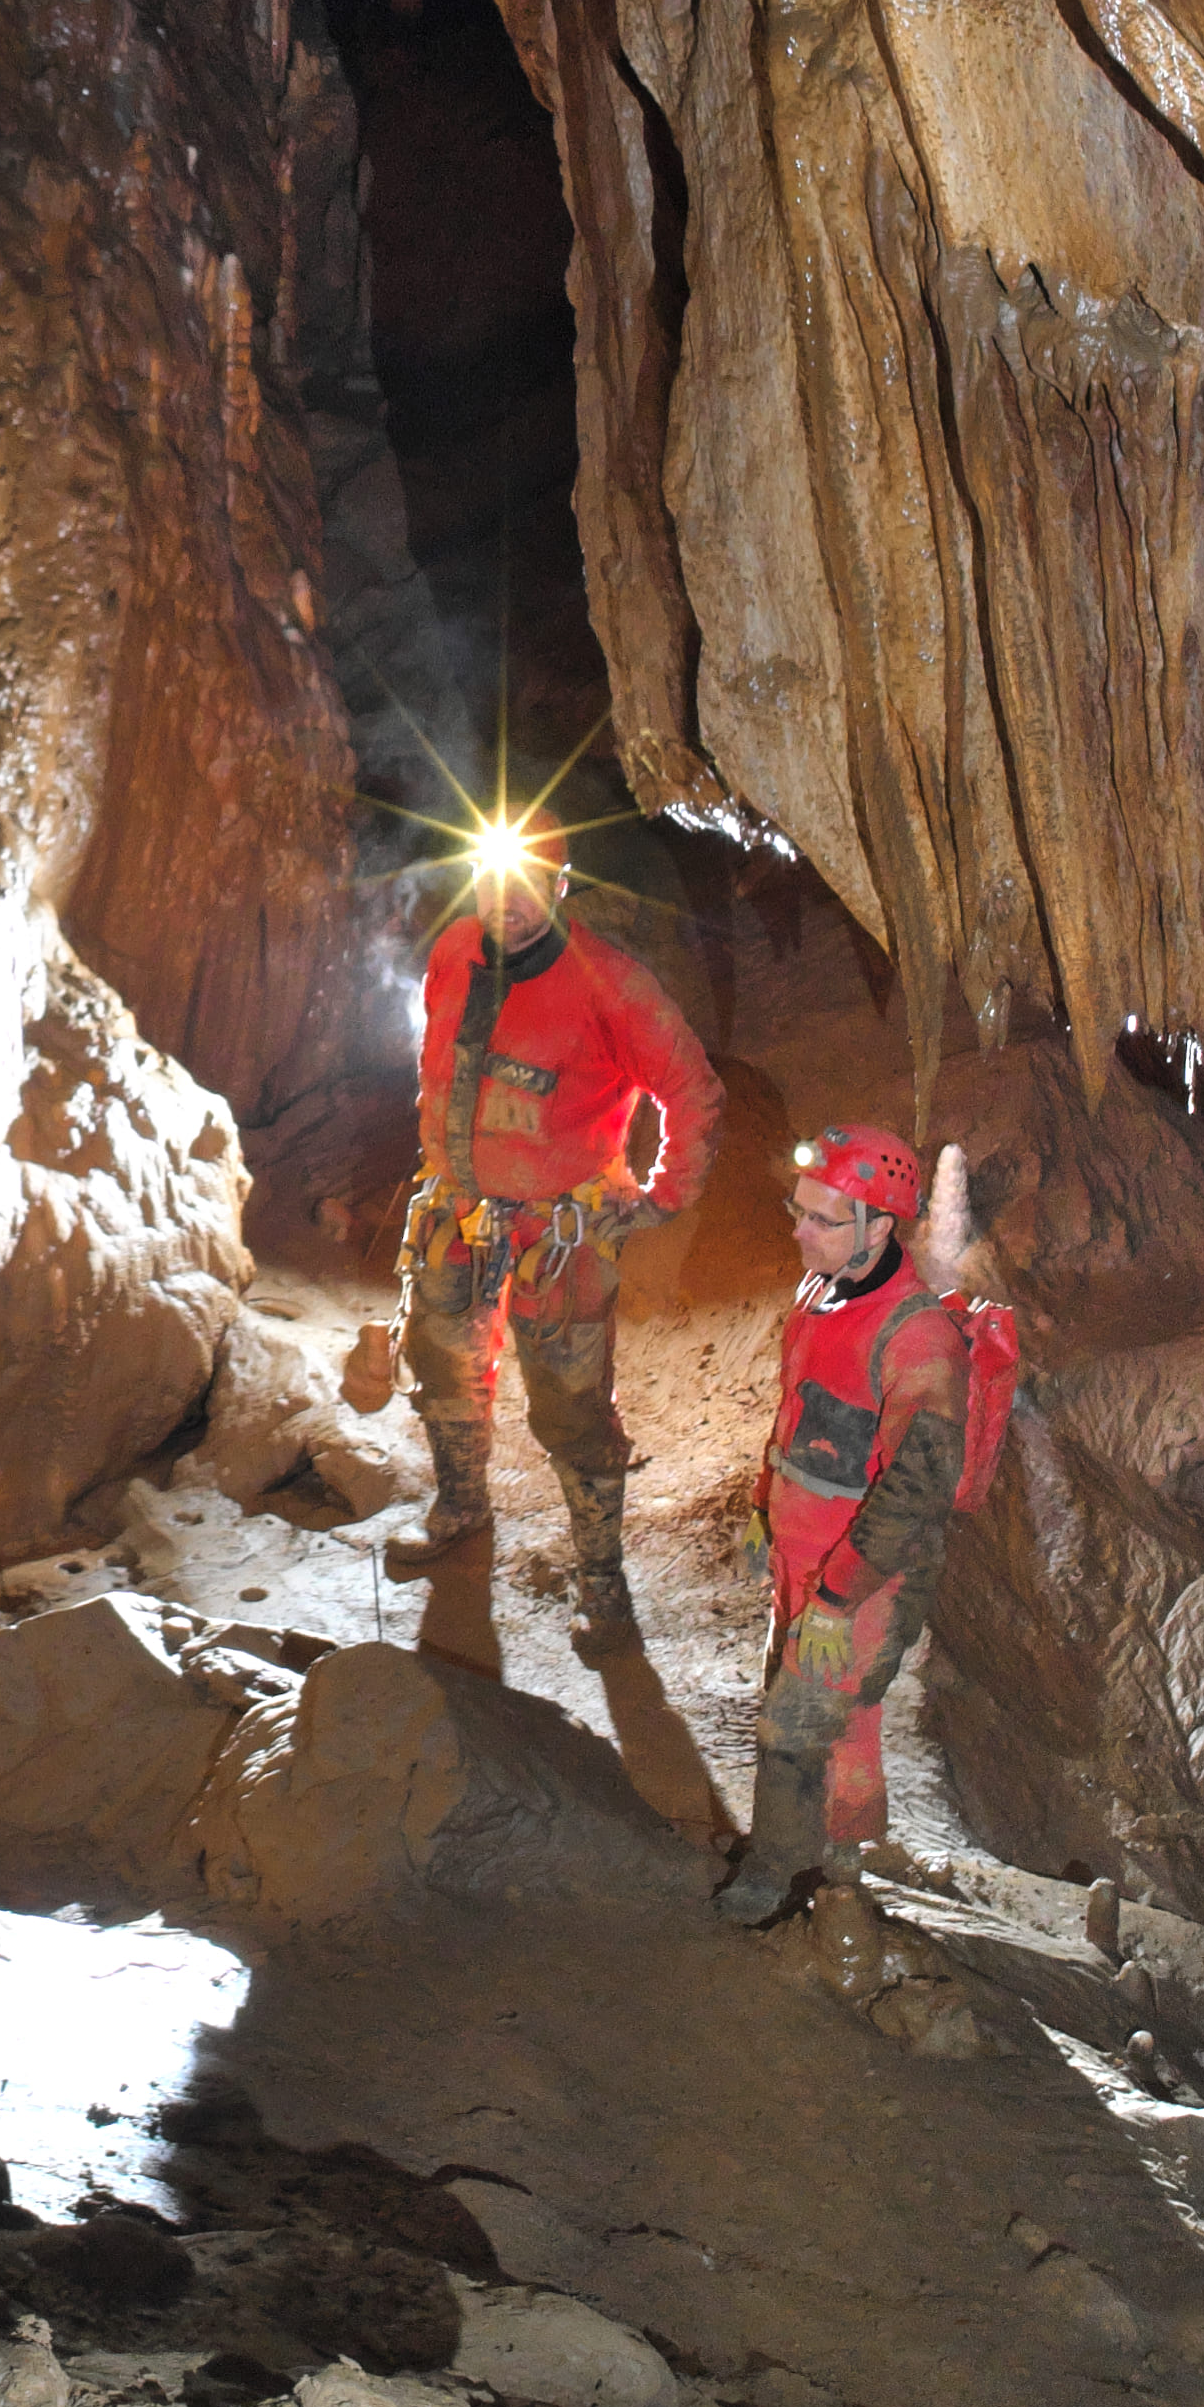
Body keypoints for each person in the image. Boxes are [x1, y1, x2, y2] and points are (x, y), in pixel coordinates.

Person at [391, 811, 720, 1657]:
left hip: (559, 1231)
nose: (508, 901)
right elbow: (435, 1055)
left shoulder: (608, 981)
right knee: (441, 1360)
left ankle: (601, 1579)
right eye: (495, 880)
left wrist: (661, 1196)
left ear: (561, 887)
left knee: (572, 1404)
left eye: (529, 882)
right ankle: (462, 1506)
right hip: (457, 1212)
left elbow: (690, 1087)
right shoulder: (453, 952)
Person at [715, 1119, 967, 1925]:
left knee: (803, 1728)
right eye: (799, 1210)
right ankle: (836, 1873)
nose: (798, 1231)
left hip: (860, 1577)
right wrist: (764, 1504)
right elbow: (795, 1417)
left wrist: (839, 1596)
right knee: (815, 1711)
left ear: (878, 1228)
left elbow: (915, 1491)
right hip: (803, 1557)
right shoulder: (817, 1293)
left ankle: (790, 1879)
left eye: (821, 1219)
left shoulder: (916, 1337)